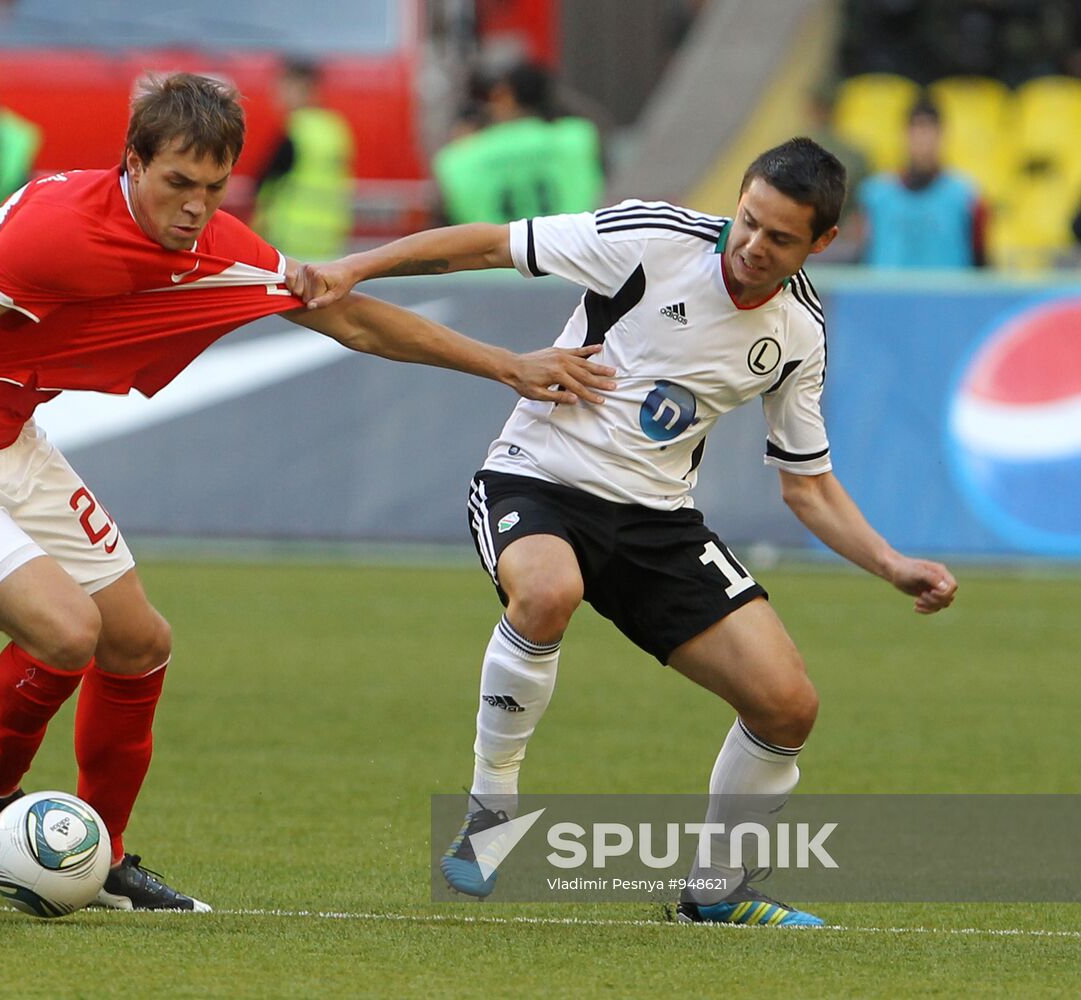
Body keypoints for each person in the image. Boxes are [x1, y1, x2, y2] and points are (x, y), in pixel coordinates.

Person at [0, 72, 614, 912]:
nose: (195, 209)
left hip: (14, 443)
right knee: (66, 632)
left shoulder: (218, 248)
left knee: (138, 643)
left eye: (214, 189)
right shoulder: (57, 231)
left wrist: (507, 364)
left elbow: (354, 320)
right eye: (177, 184)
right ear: (131, 162)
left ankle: (103, 858)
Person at [293, 137, 958, 926]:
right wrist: (351, 268)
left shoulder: (800, 331)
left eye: (779, 238)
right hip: (535, 478)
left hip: (657, 524)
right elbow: (482, 245)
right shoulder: (653, 238)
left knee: (787, 706)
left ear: (821, 243)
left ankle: (712, 896)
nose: (750, 246)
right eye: (746, 220)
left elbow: (805, 485)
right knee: (547, 591)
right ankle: (490, 811)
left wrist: (890, 564)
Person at [432, 61, 604, 226]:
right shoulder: (579, 137)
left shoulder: (459, 157)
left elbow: (448, 217)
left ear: (506, 96)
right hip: (570, 251)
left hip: (496, 253)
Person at [856, 97, 986, 268]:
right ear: (904, 135)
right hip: (887, 293)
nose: (923, 140)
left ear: (942, 136)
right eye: (917, 129)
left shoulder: (966, 195)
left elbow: (982, 261)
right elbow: (858, 255)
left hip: (947, 293)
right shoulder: (874, 195)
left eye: (929, 130)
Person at [251, 58, 354, 261]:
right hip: (329, 239)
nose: (277, 93)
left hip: (290, 237)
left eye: (283, 86)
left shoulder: (296, 130)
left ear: (302, 88)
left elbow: (264, 182)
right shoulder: (335, 129)